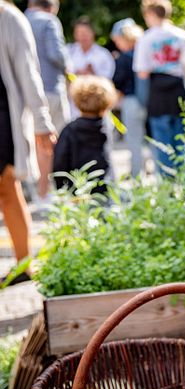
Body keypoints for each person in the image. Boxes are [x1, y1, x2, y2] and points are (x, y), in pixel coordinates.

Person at [0, 0, 56, 285]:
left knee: (8, 186)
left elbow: (29, 74)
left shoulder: (10, 19)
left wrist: (42, 123)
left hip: (3, 118)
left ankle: (24, 264)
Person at [134, 0, 185, 175]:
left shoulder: (146, 38)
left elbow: (141, 71)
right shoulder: (181, 35)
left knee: (162, 144)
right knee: (182, 140)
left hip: (157, 92)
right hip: (178, 89)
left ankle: (168, 185)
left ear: (150, 14)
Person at [24, 0, 70, 206]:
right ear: (52, 6)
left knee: (31, 142)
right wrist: (70, 68)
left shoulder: (18, 19)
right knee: (50, 143)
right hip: (49, 88)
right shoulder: (49, 21)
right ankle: (45, 194)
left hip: (21, 92)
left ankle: (32, 191)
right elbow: (56, 55)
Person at [52, 75, 115, 195]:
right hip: (104, 188)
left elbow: (59, 162)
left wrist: (61, 188)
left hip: (78, 190)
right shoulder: (106, 127)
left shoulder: (70, 130)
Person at [111, 18, 147, 178]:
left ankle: (137, 174)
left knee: (134, 139)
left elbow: (117, 83)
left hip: (131, 101)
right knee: (150, 140)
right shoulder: (145, 53)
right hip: (150, 101)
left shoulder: (124, 58)